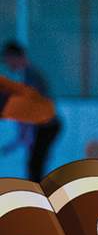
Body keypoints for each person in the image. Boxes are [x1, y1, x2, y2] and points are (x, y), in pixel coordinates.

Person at [1, 42, 61, 181]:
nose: (8, 64)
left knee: (35, 165)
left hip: (48, 126)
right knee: (34, 164)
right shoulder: (27, 75)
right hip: (44, 126)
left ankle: (38, 197)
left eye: (8, 60)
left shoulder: (31, 76)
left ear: (17, 57)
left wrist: (25, 133)